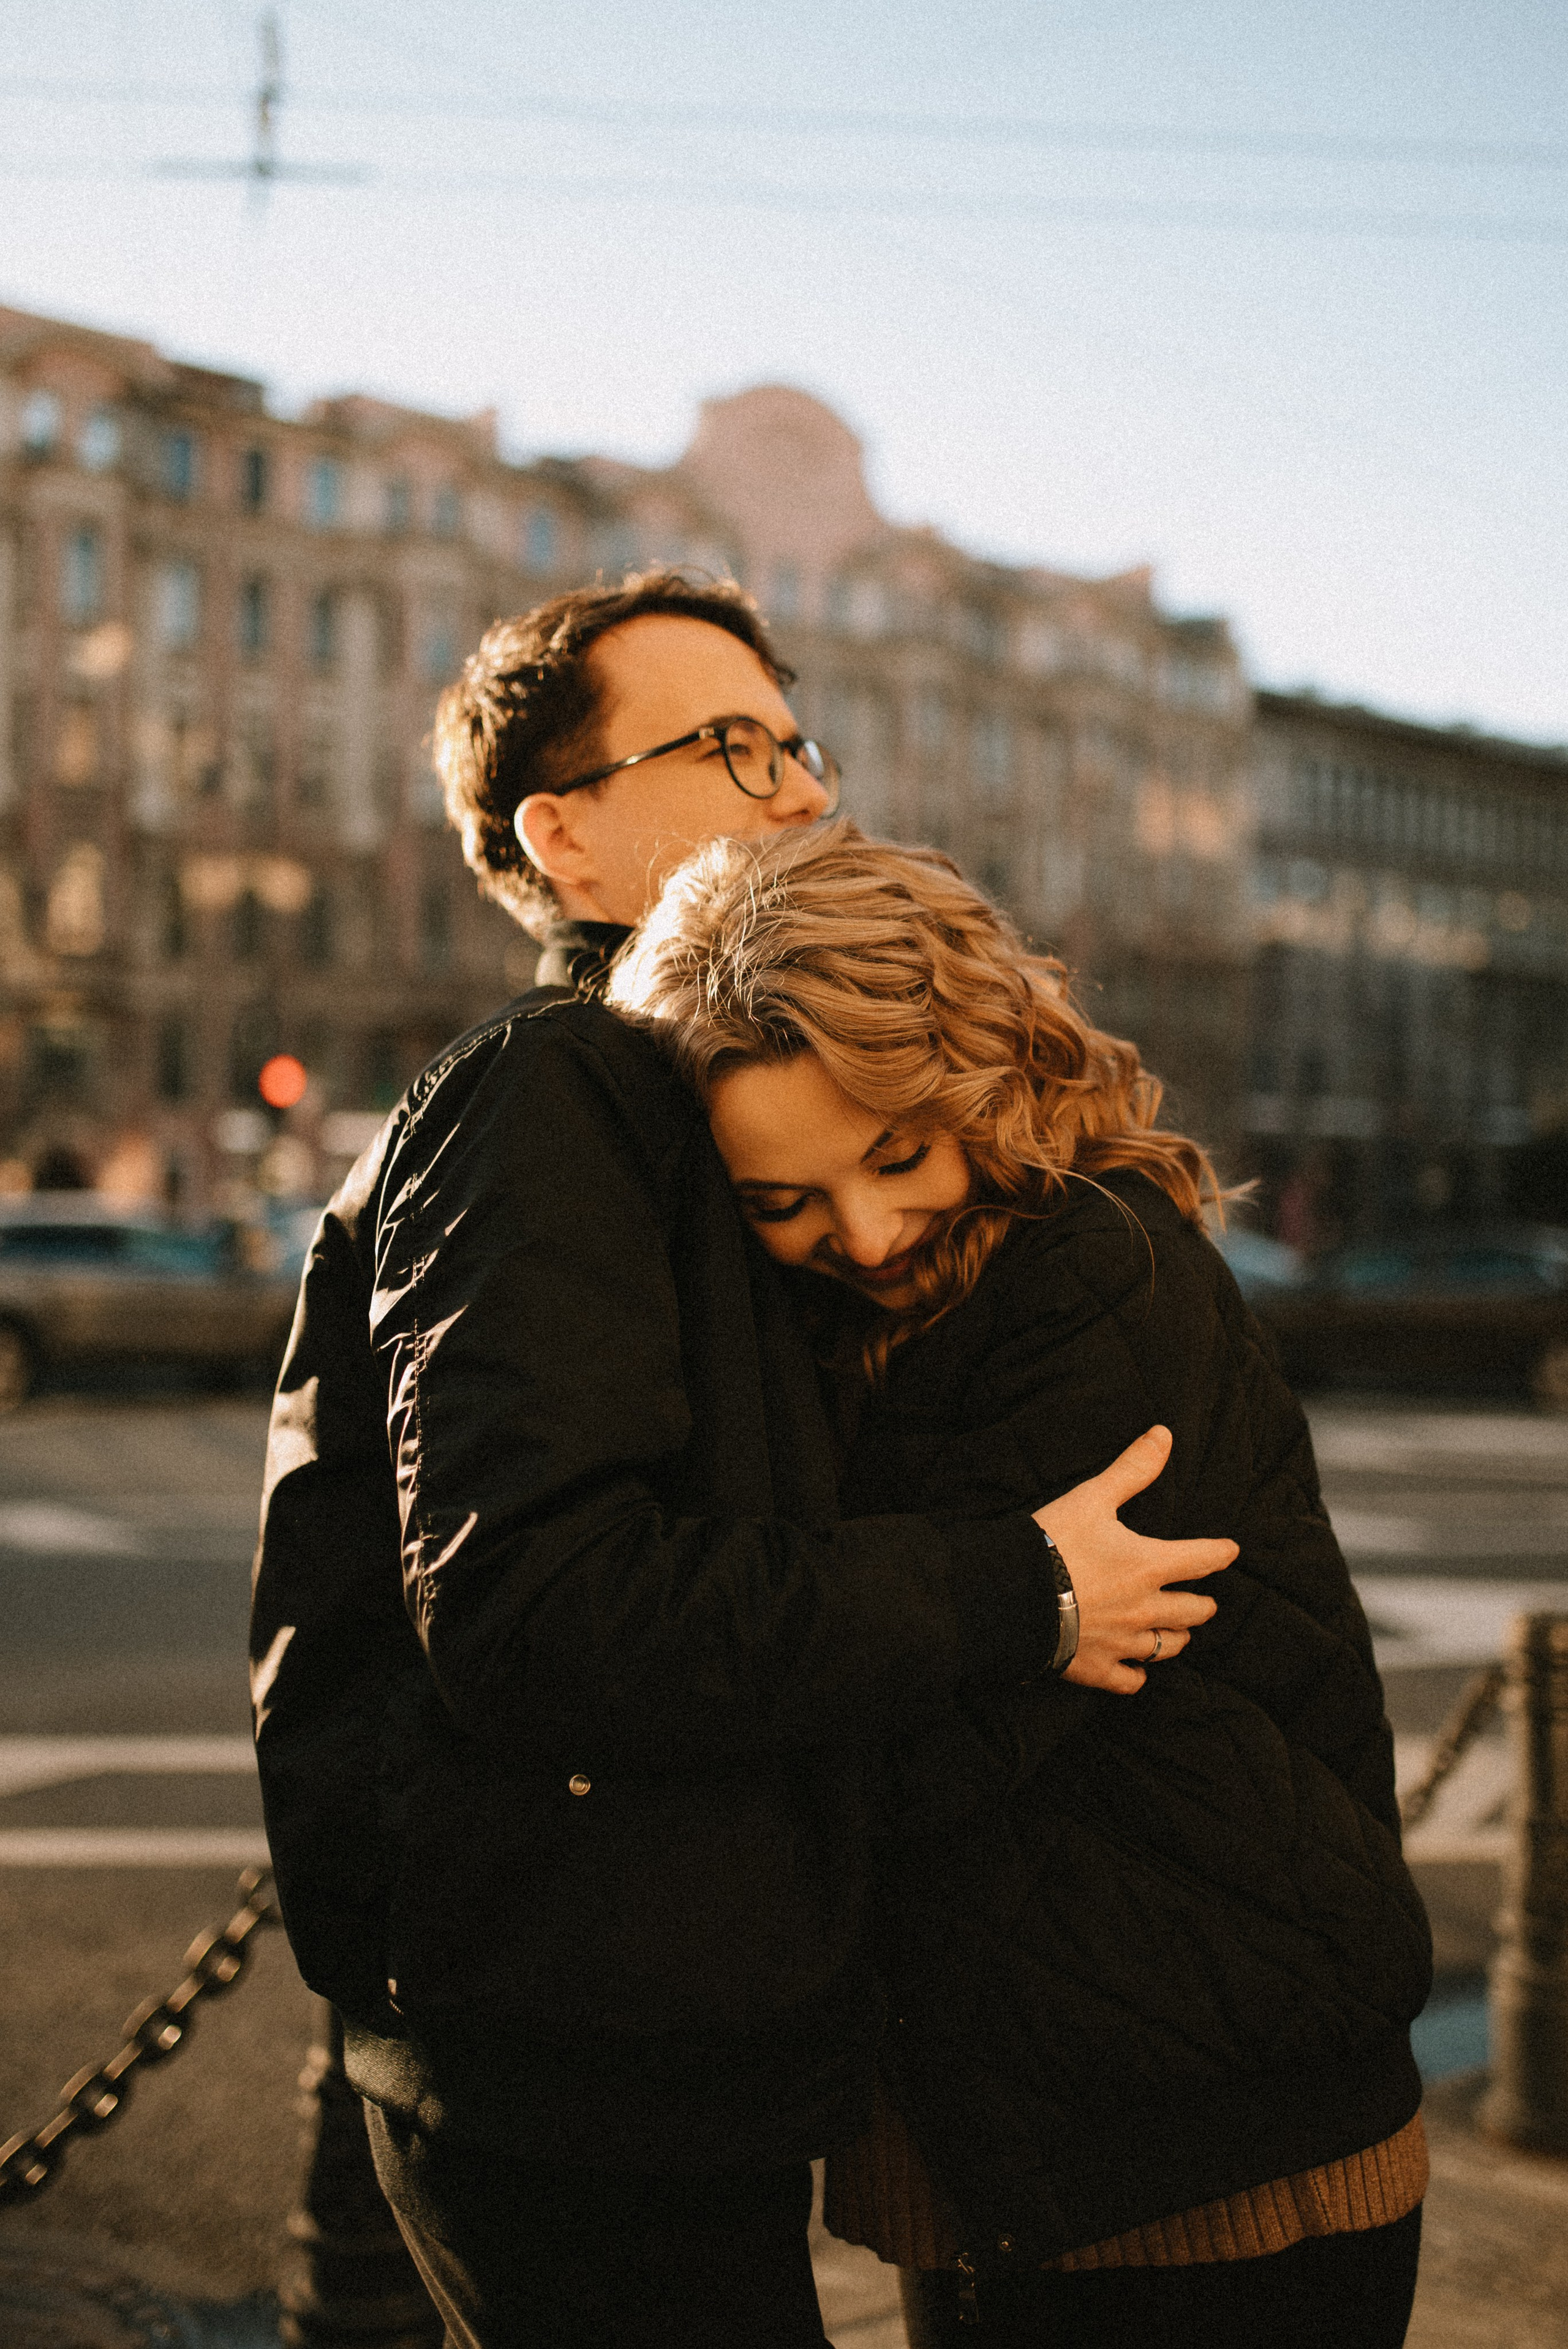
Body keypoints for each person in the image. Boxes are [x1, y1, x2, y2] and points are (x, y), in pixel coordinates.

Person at [249, 572, 1234, 2349]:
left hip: (636, 2013)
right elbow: (539, 1599)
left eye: (797, 744)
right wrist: (1016, 1586)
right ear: (561, 836)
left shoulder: (680, 1092)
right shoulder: (556, 1085)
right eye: (727, 747)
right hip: (575, 2037)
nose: (797, 791)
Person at [609, 818, 1434, 2349]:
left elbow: (929, 1735)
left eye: (896, 1156)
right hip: (1032, 2131)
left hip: (1212, 2147)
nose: (862, 1233)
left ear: (984, 1074)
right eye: (780, 1203)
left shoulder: (1087, 1268)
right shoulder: (864, 1319)